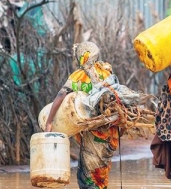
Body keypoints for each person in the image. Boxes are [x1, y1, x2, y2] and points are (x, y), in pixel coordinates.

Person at [45, 41, 120, 189]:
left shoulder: (79, 76)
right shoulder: (107, 73)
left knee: (87, 176)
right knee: (101, 174)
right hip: (109, 133)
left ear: (81, 56)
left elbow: (61, 94)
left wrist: (49, 121)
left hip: (93, 132)